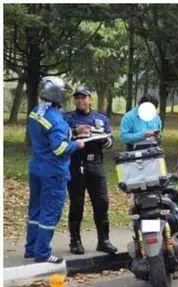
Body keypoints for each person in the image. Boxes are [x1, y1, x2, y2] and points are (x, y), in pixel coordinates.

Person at [25, 76, 89, 265]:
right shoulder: (55, 118)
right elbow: (59, 148)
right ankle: (43, 253)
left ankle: (31, 248)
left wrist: (73, 131)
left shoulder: (36, 111)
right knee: (50, 211)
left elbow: (46, 134)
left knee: (35, 209)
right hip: (53, 172)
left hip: (36, 167)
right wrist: (76, 144)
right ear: (56, 94)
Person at [63, 86, 116, 256]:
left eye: (83, 97)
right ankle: (75, 241)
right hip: (76, 164)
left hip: (96, 164)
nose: (80, 100)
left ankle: (104, 240)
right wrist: (75, 131)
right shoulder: (67, 118)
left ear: (90, 99)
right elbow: (60, 137)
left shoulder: (100, 118)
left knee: (102, 201)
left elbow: (110, 140)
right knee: (77, 203)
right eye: (77, 97)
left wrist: (102, 139)